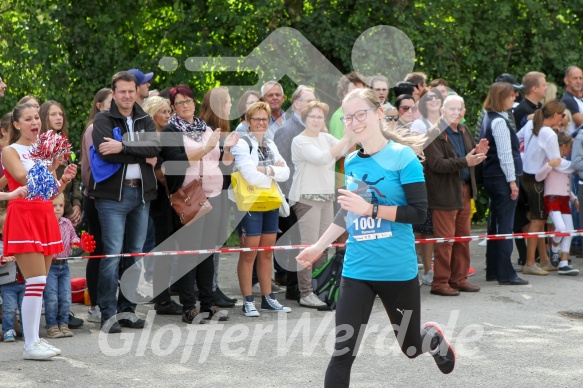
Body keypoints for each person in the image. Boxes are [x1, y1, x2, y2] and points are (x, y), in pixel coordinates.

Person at [296, 88, 455, 387]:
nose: (355, 122)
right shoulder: (353, 161)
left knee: (410, 348)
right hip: (357, 270)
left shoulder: (402, 156)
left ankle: (431, 339)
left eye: (361, 114)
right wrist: (319, 246)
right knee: (343, 352)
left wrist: (371, 208)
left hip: (397, 269)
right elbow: (348, 213)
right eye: (348, 117)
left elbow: (419, 213)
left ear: (379, 113)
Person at [156, 84, 238, 323]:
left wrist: (228, 150)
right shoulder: (171, 130)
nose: (185, 105)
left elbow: (224, 165)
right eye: (180, 103)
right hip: (191, 197)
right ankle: (189, 306)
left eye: (188, 100)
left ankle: (208, 303)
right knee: (190, 253)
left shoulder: (206, 128)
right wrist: (205, 149)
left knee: (208, 250)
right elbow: (174, 162)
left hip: (214, 193)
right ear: (173, 107)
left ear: (194, 102)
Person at [3, 102, 77, 359]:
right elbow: (26, 180)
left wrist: (62, 177)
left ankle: (34, 340)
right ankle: (30, 345)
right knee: (35, 281)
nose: (35, 122)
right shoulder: (10, 150)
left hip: (44, 215)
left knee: (40, 283)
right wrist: (48, 163)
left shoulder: (41, 150)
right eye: (28, 119)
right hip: (24, 215)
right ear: (16, 124)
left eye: (37, 118)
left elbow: (49, 191)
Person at [89, 71, 161, 333]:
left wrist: (123, 147)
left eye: (131, 90)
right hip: (112, 198)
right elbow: (104, 154)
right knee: (111, 256)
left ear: (136, 91)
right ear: (115, 93)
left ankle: (127, 311)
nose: (127, 95)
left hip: (141, 195)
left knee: (135, 255)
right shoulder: (103, 119)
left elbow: (154, 148)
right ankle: (108, 314)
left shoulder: (145, 119)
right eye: (122, 91)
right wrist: (138, 154)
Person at [230, 101, 291, 317]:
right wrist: (272, 171)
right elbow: (249, 175)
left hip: (270, 200)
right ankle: (247, 300)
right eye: (256, 119)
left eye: (265, 119)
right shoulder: (241, 143)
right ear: (247, 121)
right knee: (249, 253)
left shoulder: (270, 143)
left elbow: (287, 173)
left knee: (267, 252)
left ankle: (268, 299)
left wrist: (264, 170)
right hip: (249, 203)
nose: (261, 123)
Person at [424, 95, 487, 296]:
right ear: (442, 111)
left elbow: (466, 158)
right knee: (445, 241)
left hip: (465, 190)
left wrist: (477, 152)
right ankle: (440, 283)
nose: (457, 113)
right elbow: (437, 164)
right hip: (444, 194)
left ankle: (459, 279)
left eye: (460, 109)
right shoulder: (433, 133)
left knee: (463, 238)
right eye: (452, 109)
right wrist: (465, 161)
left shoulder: (463, 130)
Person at [289, 100, 349, 307]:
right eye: (312, 116)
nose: (316, 120)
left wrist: (352, 132)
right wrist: (348, 137)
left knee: (323, 246)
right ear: (305, 119)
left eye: (320, 116)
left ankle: (318, 287)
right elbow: (323, 158)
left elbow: (345, 150)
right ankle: (305, 292)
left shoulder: (326, 137)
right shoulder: (299, 140)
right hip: (307, 198)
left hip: (326, 197)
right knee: (309, 246)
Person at [273, 85, 317, 300]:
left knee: (307, 241)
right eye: (309, 100)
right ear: (297, 103)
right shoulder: (287, 130)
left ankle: (302, 286)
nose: (313, 104)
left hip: (312, 193)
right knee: (297, 243)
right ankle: (295, 288)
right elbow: (283, 167)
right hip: (294, 195)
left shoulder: (314, 127)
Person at [481, 82, 528, 285]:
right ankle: (505, 273)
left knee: (495, 224)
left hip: (493, 177)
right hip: (502, 178)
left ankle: (493, 269)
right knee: (504, 226)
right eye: (511, 95)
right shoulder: (499, 121)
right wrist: (512, 181)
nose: (515, 98)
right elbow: (504, 154)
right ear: (501, 97)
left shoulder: (489, 118)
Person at [198, 86, 240, 307]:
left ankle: (213, 286)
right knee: (208, 243)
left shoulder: (223, 130)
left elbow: (226, 167)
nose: (231, 105)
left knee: (216, 242)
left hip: (222, 191)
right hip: (209, 193)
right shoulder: (206, 130)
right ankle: (207, 289)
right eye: (228, 102)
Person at [520, 99, 568, 275]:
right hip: (537, 179)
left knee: (537, 219)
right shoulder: (549, 133)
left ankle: (544, 259)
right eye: (562, 115)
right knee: (538, 220)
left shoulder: (534, 123)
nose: (562, 119)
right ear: (555, 115)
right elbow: (557, 162)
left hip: (527, 174)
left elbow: (518, 139)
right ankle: (530, 263)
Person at [81, 87, 112, 324]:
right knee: (98, 252)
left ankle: (108, 300)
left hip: (110, 198)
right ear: (99, 105)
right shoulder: (94, 129)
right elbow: (95, 166)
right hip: (95, 197)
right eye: (111, 103)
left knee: (111, 251)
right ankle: (94, 306)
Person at [535, 132, 580, 275]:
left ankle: (564, 262)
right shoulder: (552, 160)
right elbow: (538, 176)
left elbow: (566, 185)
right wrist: (549, 165)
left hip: (565, 200)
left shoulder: (566, 163)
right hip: (552, 198)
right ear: (563, 146)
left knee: (570, 231)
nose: (571, 152)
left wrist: (574, 199)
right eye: (570, 148)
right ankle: (554, 249)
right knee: (560, 227)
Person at [141, 96, 172, 288]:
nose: (168, 115)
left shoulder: (169, 135)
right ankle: (154, 279)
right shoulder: (149, 138)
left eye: (169, 111)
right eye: (164, 111)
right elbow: (161, 174)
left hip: (167, 196)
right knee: (154, 238)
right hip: (154, 195)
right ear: (152, 114)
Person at [39, 100, 83, 227]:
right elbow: (55, 181)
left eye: (61, 114)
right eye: (53, 114)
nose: (59, 118)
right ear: (43, 117)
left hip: (67, 206)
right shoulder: (42, 145)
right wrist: (68, 209)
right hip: (52, 207)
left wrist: (77, 203)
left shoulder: (62, 142)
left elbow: (72, 176)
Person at [44, 193, 81, 338]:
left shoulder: (67, 223)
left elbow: (74, 236)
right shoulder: (45, 222)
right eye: (54, 206)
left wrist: (76, 242)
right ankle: (52, 325)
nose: (58, 209)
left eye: (60, 206)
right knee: (51, 297)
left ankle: (64, 323)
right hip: (50, 265)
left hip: (64, 265)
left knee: (66, 296)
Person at [561, 66, 583, 132]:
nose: (578, 81)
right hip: (573, 140)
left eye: (581, 78)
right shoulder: (568, 100)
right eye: (575, 78)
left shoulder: (577, 99)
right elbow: (581, 121)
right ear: (566, 81)